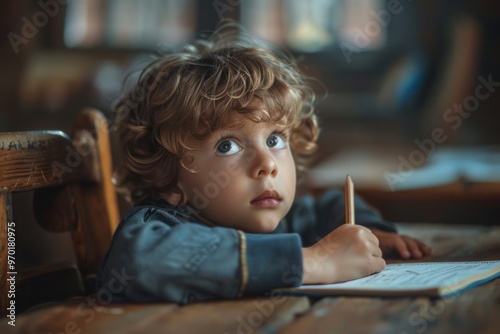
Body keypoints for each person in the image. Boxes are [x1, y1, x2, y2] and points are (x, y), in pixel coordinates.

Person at [98, 22, 431, 304]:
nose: (266, 164)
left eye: (274, 140)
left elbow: (324, 208)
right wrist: (311, 262)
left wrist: (370, 232)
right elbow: (138, 263)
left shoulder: (271, 217)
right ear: (168, 179)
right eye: (227, 145)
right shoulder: (157, 229)